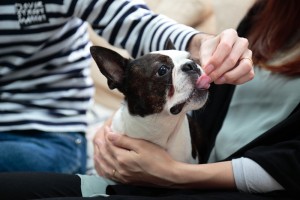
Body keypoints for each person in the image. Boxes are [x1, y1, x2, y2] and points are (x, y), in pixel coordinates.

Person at [0, 0, 255, 199]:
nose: (190, 67)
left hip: (47, 132)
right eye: (164, 71)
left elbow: (135, 23)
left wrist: (202, 43)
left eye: (188, 62)